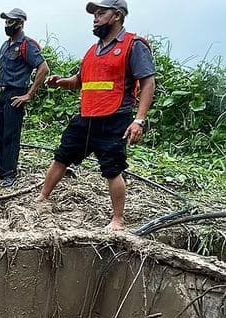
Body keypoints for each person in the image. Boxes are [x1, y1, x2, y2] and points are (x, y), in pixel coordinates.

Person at [36, 0, 155, 231]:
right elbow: (79, 82)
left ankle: (118, 220)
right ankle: (43, 197)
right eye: (95, 14)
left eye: (101, 13)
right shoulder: (93, 50)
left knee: (113, 168)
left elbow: (148, 82)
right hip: (86, 117)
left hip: (115, 118)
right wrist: (60, 82)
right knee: (62, 156)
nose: (95, 18)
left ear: (117, 15)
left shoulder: (133, 45)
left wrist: (139, 120)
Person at [0, 8, 50, 188]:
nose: (7, 25)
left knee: (11, 136)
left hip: (16, 93)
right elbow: (0, 72)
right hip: (3, 94)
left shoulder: (27, 45)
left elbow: (43, 68)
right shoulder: (5, 45)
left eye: (11, 22)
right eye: (5, 22)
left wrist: (29, 94)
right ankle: (1, 170)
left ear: (20, 23)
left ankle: (10, 173)